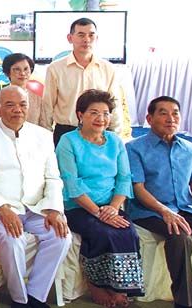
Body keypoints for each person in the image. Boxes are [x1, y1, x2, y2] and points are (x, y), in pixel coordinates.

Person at [0, 85, 71, 308]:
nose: (17, 110)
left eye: (22, 104)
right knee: (12, 240)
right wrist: (2, 208)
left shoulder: (43, 136)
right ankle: (20, 298)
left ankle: (36, 296)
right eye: (10, 104)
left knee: (61, 236)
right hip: (2, 208)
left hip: (37, 207)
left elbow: (53, 177)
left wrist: (54, 209)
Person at [56, 89, 144, 307]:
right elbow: (71, 183)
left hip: (109, 206)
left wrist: (113, 208)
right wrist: (97, 212)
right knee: (101, 231)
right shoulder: (68, 141)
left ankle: (119, 287)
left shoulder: (115, 141)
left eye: (105, 113)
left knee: (127, 231)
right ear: (80, 115)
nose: (101, 118)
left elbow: (124, 178)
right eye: (94, 113)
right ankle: (96, 284)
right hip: (77, 206)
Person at [126, 96, 192, 308]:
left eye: (175, 113)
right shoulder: (134, 148)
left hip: (185, 207)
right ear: (149, 118)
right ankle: (183, 302)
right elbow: (138, 189)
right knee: (180, 238)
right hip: (149, 211)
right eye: (163, 113)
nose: (170, 118)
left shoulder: (189, 148)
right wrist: (165, 211)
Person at [44, 18, 122, 145]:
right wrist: (45, 135)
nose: (86, 39)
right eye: (81, 35)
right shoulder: (55, 68)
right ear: (70, 38)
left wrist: (115, 134)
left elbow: (114, 104)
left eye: (91, 35)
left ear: (97, 38)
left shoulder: (108, 68)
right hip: (66, 131)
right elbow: (47, 105)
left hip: (99, 130)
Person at [0, 53, 49, 129]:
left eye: (26, 69)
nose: (22, 73)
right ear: (7, 72)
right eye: (17, 69)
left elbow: (45, 128)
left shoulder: (38, 101)